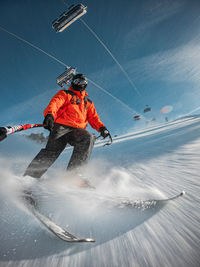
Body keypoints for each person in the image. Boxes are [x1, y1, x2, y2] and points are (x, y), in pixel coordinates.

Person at [24, 73, 110, 181]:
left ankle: (74, 176)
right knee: (52, 151)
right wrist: (50, 114)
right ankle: (29, 177)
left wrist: (102, 128)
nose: (79, 84)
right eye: (76, 81)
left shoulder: (88, 102)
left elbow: (94, 118)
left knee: (88, 137)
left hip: (77, 130)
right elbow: (55, 103)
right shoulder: (65, 94)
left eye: (82, 82)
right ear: (72, 82)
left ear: (86, 85)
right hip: (61, 127)